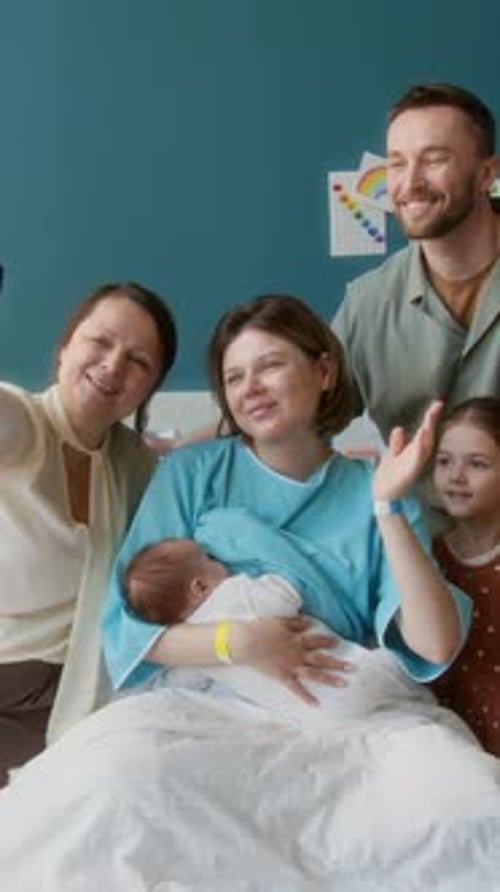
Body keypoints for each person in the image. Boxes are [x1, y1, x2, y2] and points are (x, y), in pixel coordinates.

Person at [0, 295, 486, 892]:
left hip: (350, 718)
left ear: (324, 370)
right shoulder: (191, 474)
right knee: (110, 786)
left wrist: (387, 506)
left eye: (271, 366)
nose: (250, 387)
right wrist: (239, 640)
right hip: (213, 707)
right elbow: (127, 629)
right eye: (234, 377)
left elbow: (434, 642)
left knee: (465, 801)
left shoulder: (376, 487)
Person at [0, 281, 177, 786]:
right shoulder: (21, 424)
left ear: (149, 387)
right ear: (64, 349)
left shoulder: (132, 464)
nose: (113, 365)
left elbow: (187, 466)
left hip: (75, 689)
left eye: (138, 361)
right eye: (99, 342)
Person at [333, 83, 500, 445]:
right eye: (397, 163)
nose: (410, 182)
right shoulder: (367, 303)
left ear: (487, 174)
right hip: (410, 504)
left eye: (434, 159)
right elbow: (301, 414)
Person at [122, 537, 436, 727]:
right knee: (394, 672)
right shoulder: (236, 592)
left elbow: (178, 684)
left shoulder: (195, 650)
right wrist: (269, 572)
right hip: (352, 674)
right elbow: (287, 596)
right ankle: (424, 702)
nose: (217, 560)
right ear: (200, 586)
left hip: (317, 717)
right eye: (209, 558)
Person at [430, 397, 500, 757]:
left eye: (477, 464)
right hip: (450, 738)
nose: (456, 476)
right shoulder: (427, 558)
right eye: (444, 462)